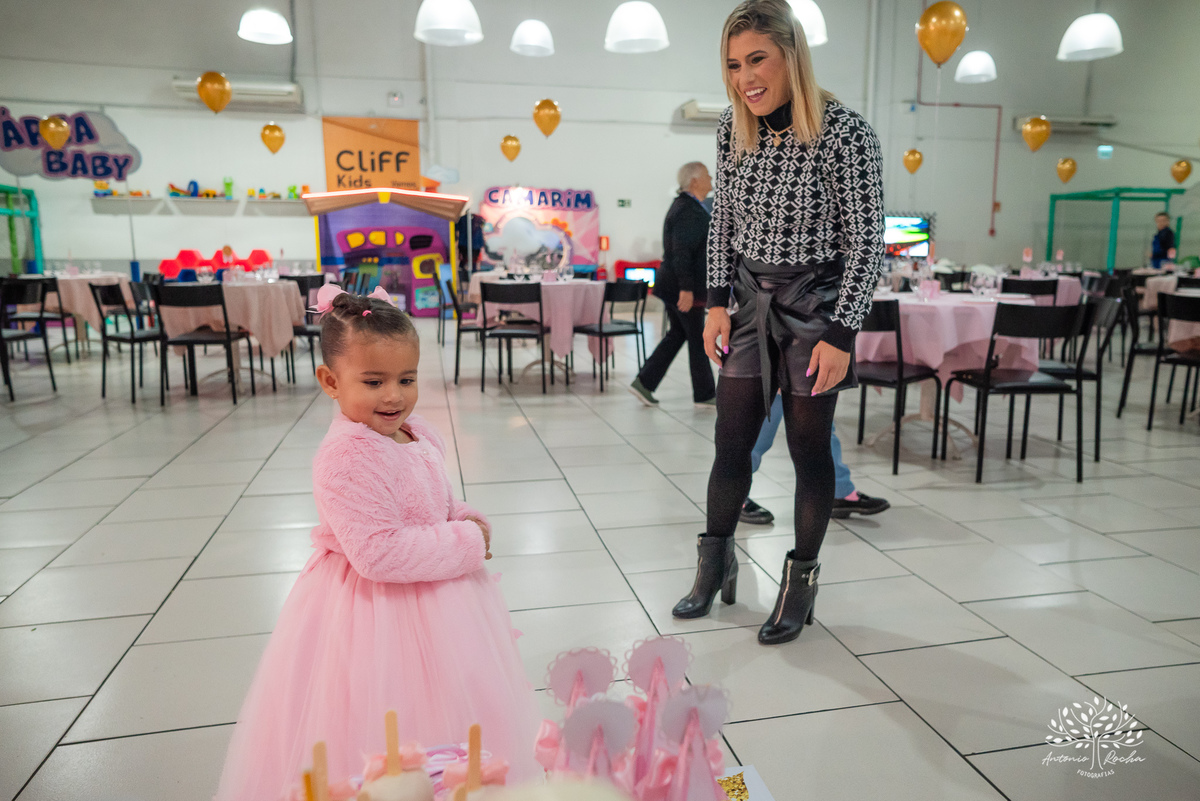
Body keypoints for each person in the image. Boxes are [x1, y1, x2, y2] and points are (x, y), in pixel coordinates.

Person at [214, 286, 538, 800]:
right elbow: (378, 554)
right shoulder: (346, 456)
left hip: (442, 600)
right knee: (386, 721)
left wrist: (465, 519)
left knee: (457, 715)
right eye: (374, 381)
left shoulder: (418, 432)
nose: (394, 396)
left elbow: (438, 502)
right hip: (373, 612)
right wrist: (467, 541)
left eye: (406, 379)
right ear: (330, 381)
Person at [672, 0, 884, 646]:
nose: (745, 78)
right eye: (734, 65)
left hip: (816, 307)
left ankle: (800, 584)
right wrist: (714, 301)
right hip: (747, 302)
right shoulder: (735, 132)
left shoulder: (846, 134)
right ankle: (716, 561)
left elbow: (867, 242)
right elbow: (724, 228)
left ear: (792, 54)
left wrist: (842, 334)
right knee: (730, 442)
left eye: (757, 59)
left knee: (808, 450)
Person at [629, 162, 717, 407]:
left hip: (674, 284)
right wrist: (686, 289)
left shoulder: (686, 206)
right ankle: (705, 394)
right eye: (708, 175)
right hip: (681, 288)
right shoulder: (689, 210)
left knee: (678, 335)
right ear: (695, 181)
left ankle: (644, 382)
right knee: (696, 339)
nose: (712, 179)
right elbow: (682, 253)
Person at [739, 394, 889, 525]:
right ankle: (736, 495)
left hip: (805, 368)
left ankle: (839, 490)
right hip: (767, 368)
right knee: (758, 435)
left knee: (820, 431)